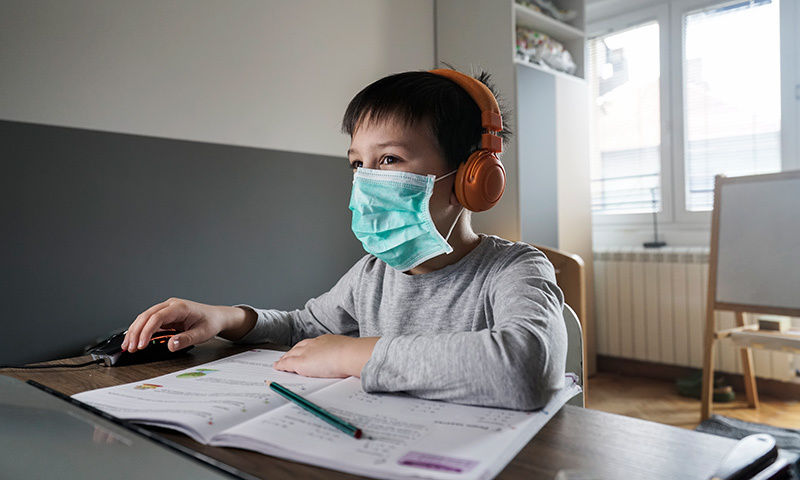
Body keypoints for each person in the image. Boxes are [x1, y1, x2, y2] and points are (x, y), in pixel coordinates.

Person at [122, 68, 567, 411]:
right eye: (358, 164)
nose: (367, 181)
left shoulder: (515, 268)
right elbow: (305, 329)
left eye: (390, 158)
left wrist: (353, 355)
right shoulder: (373, 275)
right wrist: (226, 318)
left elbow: (527, 368)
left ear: (474, 178)